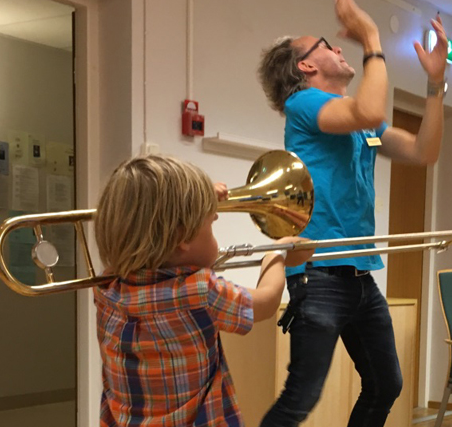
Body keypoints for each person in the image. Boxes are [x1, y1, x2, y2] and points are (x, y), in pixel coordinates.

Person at [257, 0, 449, 427]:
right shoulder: (303, 104)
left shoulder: (364, 125)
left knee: (385, 385)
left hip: (360, 275)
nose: (340, 49)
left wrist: (435, 84)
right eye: (327, 45)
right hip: (319, 273)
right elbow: (368, 108)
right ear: (306, 67)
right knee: (300, 398)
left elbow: (424, 151)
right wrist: (371, 36)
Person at [92, 154, 313, 427]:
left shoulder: (106, 285)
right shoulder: (201, 292)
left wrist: (196, 204)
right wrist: (278, 254)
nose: (213, 227)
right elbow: (267, 302)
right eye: (211, 223)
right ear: (182, 237)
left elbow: (142, 211)